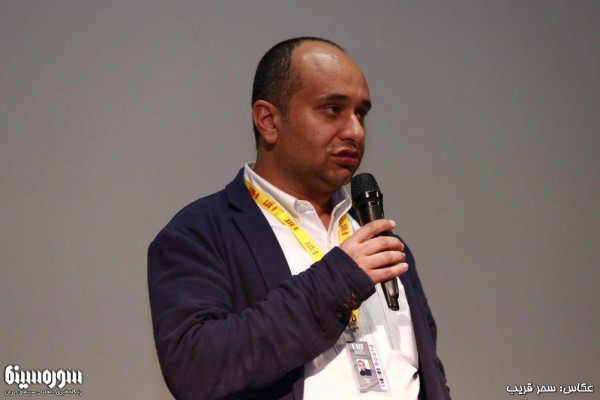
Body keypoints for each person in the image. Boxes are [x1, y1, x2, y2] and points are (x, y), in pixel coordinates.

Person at [148, 37, 450, 400]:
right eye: (333, 109)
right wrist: (339, 279)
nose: (355, 131)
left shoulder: (382, 242)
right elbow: (195, 369)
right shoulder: (200, 233)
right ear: (268, 121)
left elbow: (426, 375)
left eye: (361, 114)